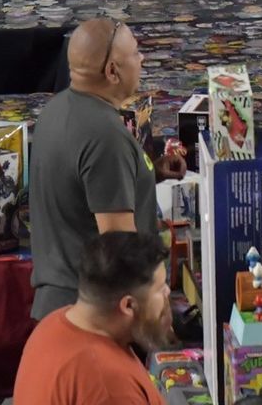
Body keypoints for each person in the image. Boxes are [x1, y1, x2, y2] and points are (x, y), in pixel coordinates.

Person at [30, 19, 166, 319]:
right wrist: (160, 308)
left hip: (56, 305)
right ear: (112, 71)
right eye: (135, 53)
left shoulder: (55, 110)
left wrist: (150, 172)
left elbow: (81, 188)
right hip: (93, 315)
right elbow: (120, 248)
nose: (142, 59)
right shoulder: (104, 136)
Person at [15, 231, 174, 405]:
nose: (168, 292)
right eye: (160, 289)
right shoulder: (109, 388)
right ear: (128, 305)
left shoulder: (51, 324)